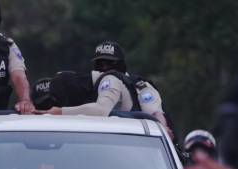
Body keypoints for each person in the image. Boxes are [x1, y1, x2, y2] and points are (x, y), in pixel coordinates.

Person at [37, 41, 172, 134]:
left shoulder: (112, 80)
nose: (105, 67)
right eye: (100, 63)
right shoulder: (134, 83)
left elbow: (155, 113)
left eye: (109, 63)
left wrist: (60, 112)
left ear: (121, 64)